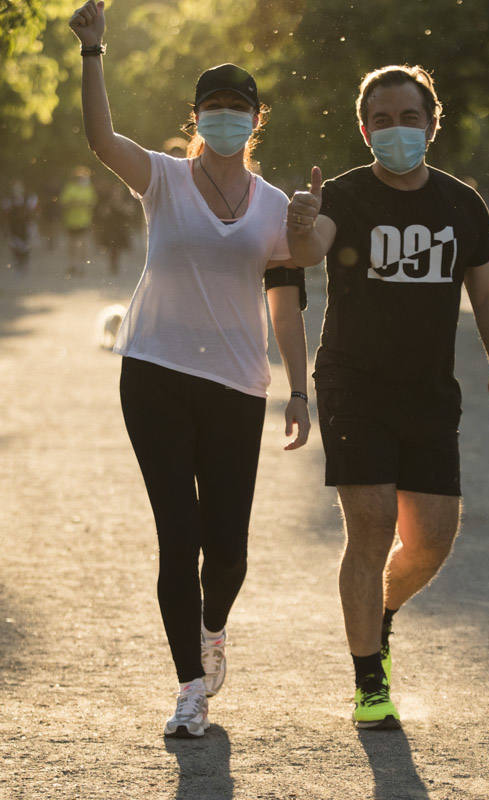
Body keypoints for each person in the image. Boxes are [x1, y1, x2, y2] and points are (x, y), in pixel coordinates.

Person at [69, 0, 310, 739]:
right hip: (154, 373)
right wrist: (93, 52)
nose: (226, 116)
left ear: (256, 119)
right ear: (196, 115)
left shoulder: (275, 208)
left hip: (238, 387)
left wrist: (301, 389)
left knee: (228, 549)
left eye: (239, 107)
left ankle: (212, 629)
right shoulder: (164, 180)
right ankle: (188, 688)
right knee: (179, 533)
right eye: (214, 106)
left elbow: (287, 298)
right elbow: (102, 137)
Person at [286, 64, 489, 730]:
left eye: (408, 118)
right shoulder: (343, 196)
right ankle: (369, 683)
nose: (395, 131)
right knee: (371, 528)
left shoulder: (461, 203)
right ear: (365, 130)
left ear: (432, 124)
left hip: (428, 392)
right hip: (352, 385)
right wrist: (302, 223)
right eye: (381, 121)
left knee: (433, 541)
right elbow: (308, 254)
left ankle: (378, 616)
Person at [93, 179, 137, 274]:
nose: (117, 193)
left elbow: (131, 211)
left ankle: (116, 264)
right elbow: (102, 213)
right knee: (112, 247)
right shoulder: (107, 200)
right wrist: (108, 207)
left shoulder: (126, 200)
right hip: (110, 227)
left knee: (118, 247)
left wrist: (120, 206)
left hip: (121, 227)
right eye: (115, 190)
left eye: (119, 191)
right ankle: (113, 265)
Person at [61, 166, 98, 275]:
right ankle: (72, 265)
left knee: (83, 244)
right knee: (72, 245)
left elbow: (93, 202)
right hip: (71, 221)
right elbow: (64, 202)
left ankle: (82, 266)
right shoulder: (70, 188)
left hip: (85, 221)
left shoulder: (89, 188)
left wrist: (83, 204)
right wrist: (74, 203)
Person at [2, 180, 38, 270]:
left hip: (26, 224)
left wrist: (32, 223)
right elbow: (6, 214)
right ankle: (18, 261)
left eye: (19, 186)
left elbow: (33, 212)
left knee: (25, 244)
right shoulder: (9, 199)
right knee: (15, 243)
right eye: (15, 186)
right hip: (13, 225)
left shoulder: (29, 197)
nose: (17, 189)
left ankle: (24, 261)